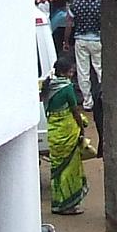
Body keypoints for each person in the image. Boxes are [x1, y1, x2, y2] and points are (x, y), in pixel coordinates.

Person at [42, 73, 92, 214]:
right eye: (71, 71)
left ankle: (57, 203)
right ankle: (67, 205)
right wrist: (81, 128)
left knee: (56, 169)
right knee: (69, 169)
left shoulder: (48, 86)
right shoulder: (67, 88)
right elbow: (75, 110)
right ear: (65, 72)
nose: (72, 74)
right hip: (67, 132)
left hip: (53, 132)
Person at [67, 0, 102, 113]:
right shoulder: (100, 5)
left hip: (80, 40)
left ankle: (88, 102)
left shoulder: (75, 5)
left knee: (83, 72)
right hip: (97, 40)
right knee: (100, 69)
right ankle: (103, 97)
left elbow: (69, 23)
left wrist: (66, 41)